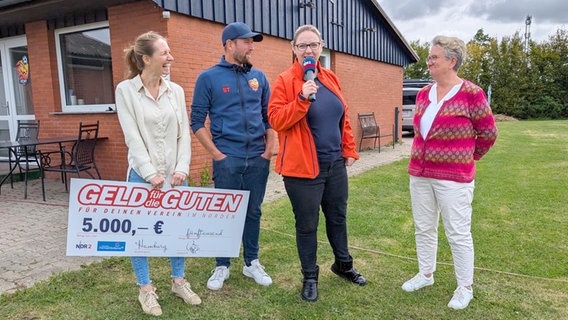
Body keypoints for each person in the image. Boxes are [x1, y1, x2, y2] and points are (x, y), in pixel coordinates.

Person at [268, 24, 367, 302]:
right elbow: (276, 120)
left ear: (321, 47)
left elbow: (342, 117)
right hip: (301, 170)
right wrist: (301, 98)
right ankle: (310, 276)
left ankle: (343, 265)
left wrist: (348, 149)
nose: (308, 50)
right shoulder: (285, 81)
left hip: (334, 165)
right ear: (294, 49)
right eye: (303, 46)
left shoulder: (331, 78)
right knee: (307, 225)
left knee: (338, 218)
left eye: (313, 45)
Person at [401, 35, 498, 310]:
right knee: (424, 227)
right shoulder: (423, 93)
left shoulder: (471, 94)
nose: (429, 61)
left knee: (457, 232)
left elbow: (489, 133)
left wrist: (468, 156)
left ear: (452, 61)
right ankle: (425, 274)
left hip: (454, 178)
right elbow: (421, 132)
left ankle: (464, 286)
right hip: (420, 174)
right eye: (430, 57)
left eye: (434, 57)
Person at [115, 31, 200, 316]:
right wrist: (150, 173)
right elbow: (132, 137)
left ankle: (178, 281)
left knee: (178, 232)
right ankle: (146, 290)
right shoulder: (125, 91)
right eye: (164, 53)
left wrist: (181, 169)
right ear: (145, 58)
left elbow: (183, 136)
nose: (170, 58)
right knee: (139, 235)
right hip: (142, 177)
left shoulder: (175, 90)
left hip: (175, 176)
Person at [190, 22, 276, 291]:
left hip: (257, 159)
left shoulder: (259, 77)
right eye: (247, 42)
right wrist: (217, 155)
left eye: (252, 42)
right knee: (224, 213)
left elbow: (268, 117)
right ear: (229, 44)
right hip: (228, 158)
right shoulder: (209, 77)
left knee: (254, 211)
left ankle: (251, 262)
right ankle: (222, 265)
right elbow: (196, 122)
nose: (252, 47)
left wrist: (268, 150)